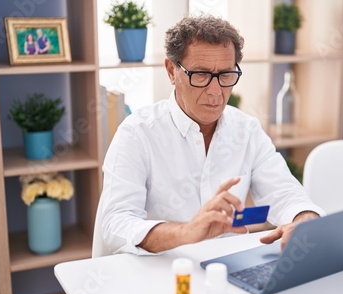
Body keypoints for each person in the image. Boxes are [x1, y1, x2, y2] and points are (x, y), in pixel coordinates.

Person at [96, 16, 324, 255]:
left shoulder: (247, 130)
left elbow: (284, 192)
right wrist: (186, 232)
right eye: (201, 75)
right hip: (163, 270)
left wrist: (303, 218)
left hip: (229, 268)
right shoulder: (137, 133)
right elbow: (116, 225)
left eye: (226, 75)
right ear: (171, 71)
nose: (216, 91)